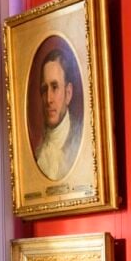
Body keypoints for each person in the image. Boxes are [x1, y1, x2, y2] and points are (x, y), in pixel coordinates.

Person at [34, 48, 83, 181]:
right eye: (44, 89)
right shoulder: (39, 153)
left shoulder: (80, 142)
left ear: (68, 93)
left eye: (55, 87)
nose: (49, 99)